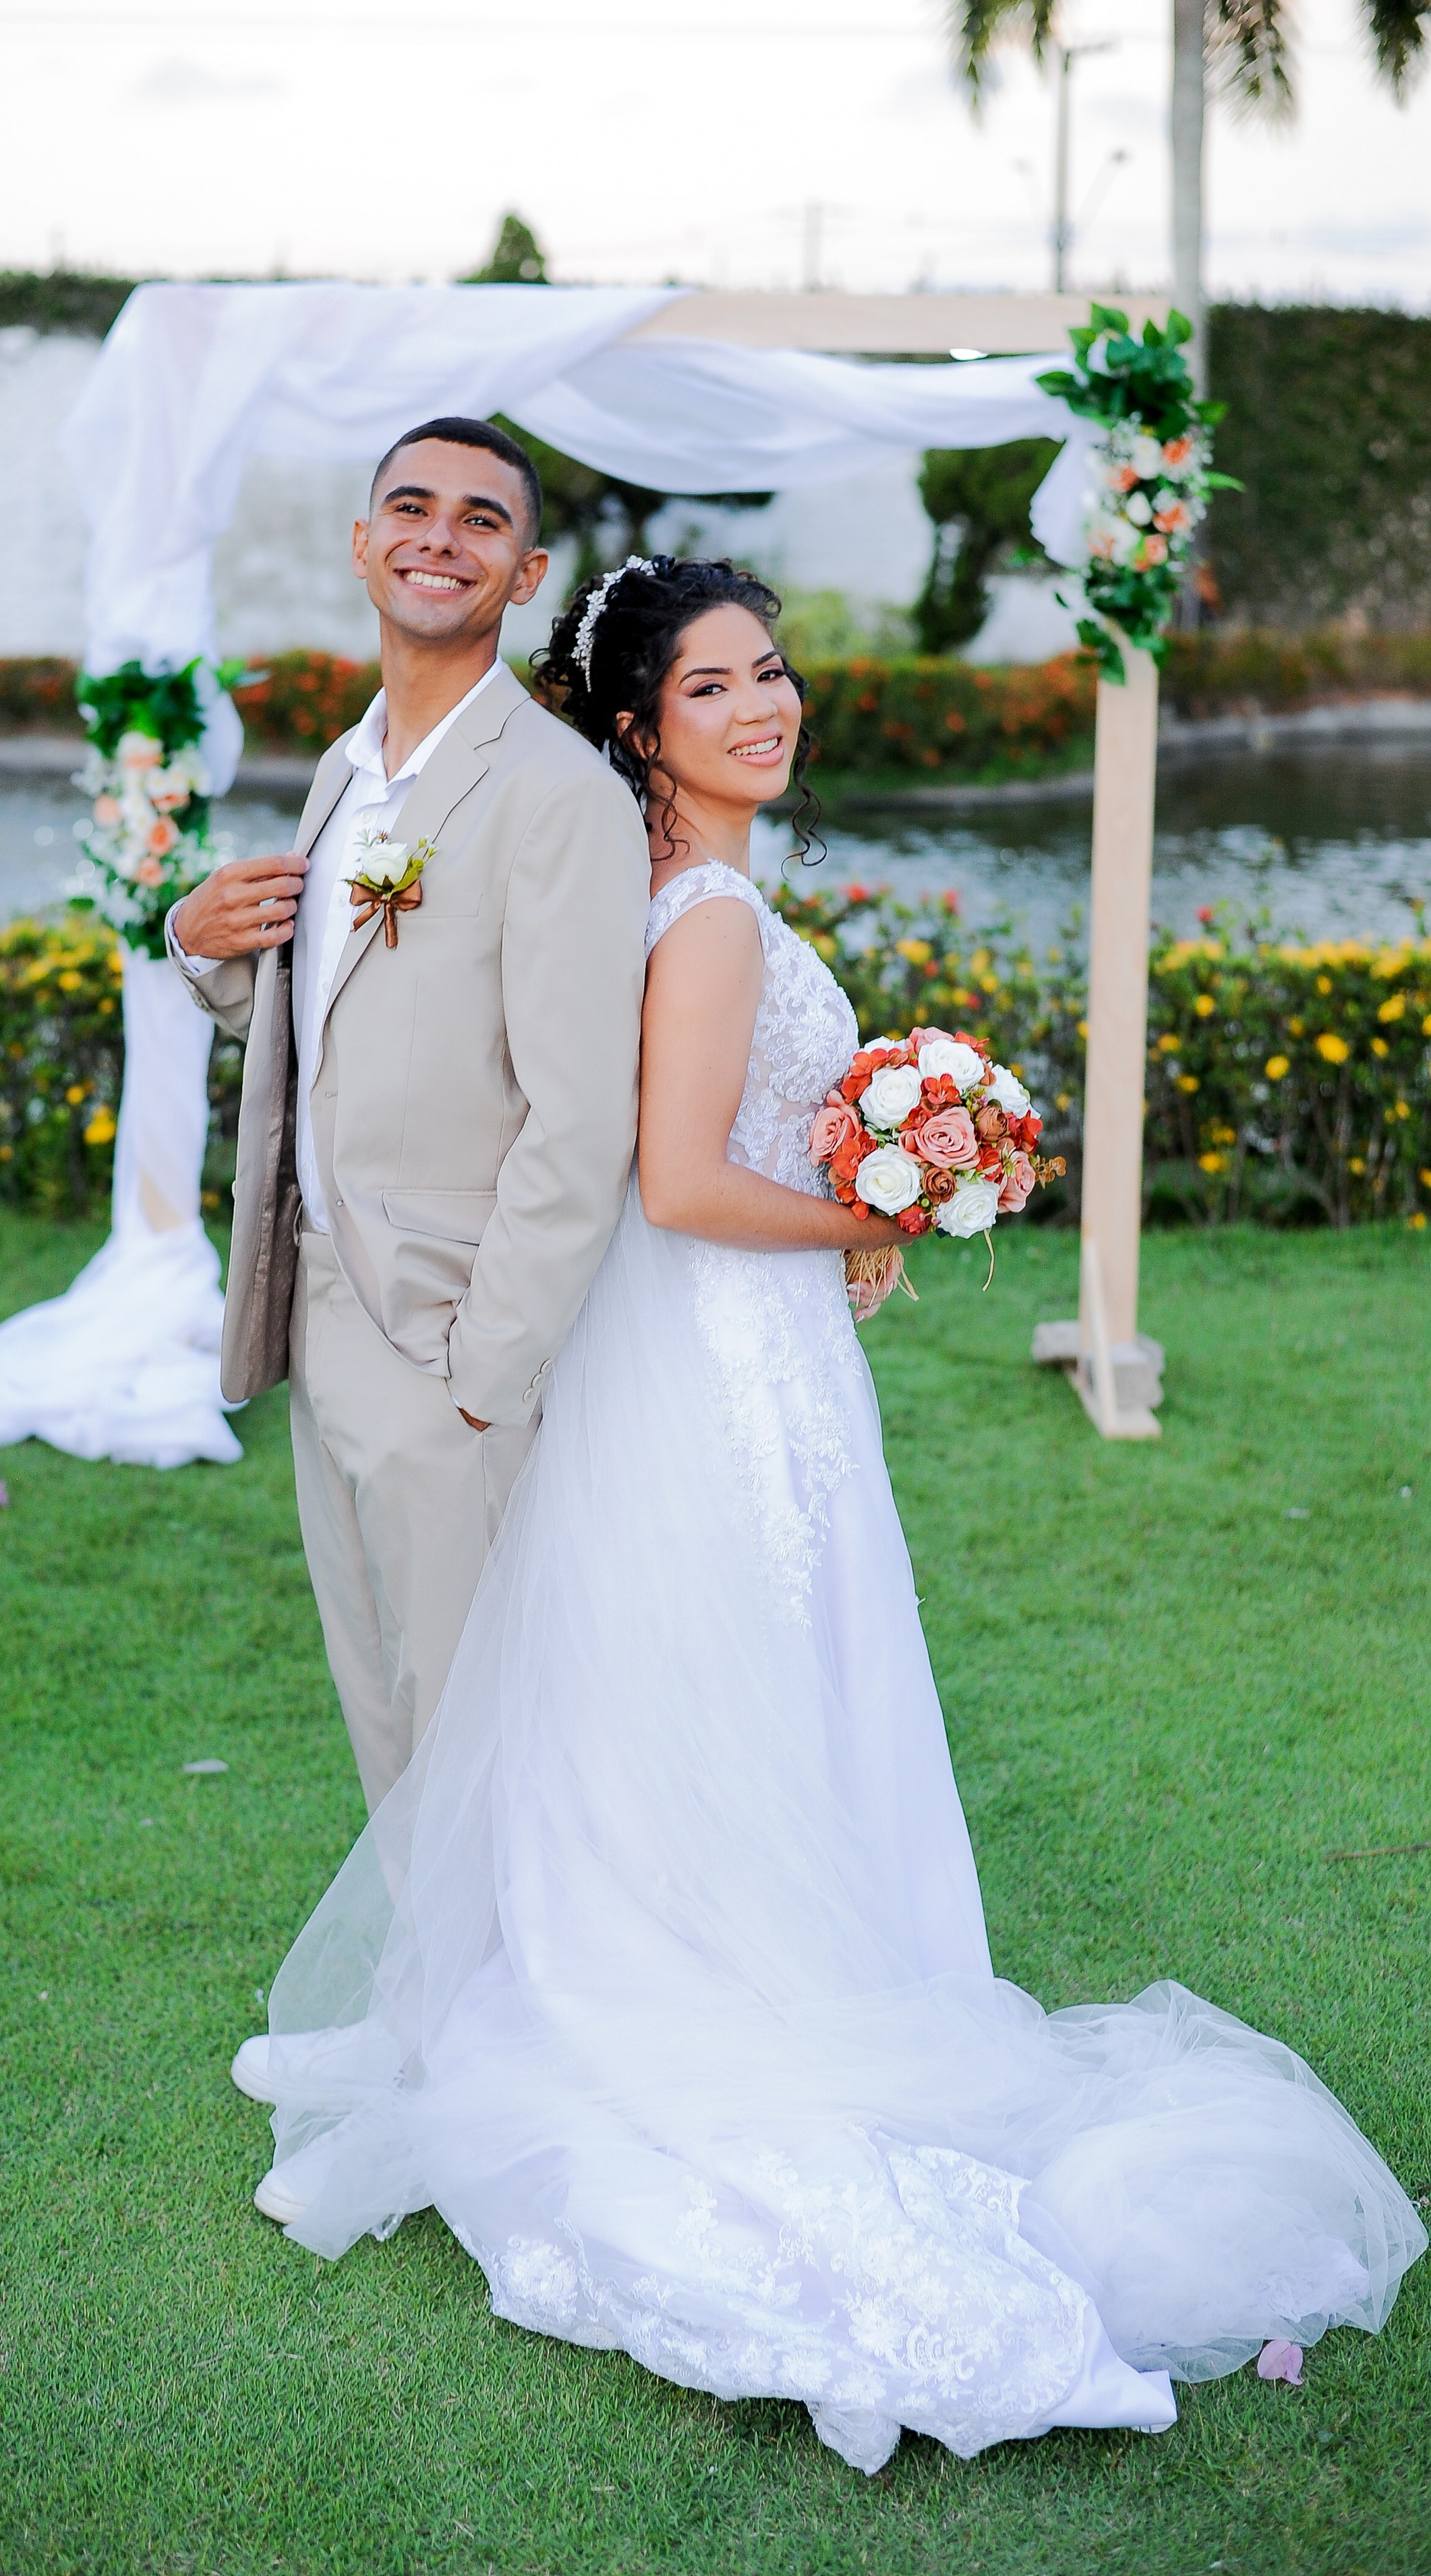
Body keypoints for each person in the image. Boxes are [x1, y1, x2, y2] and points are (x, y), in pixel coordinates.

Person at [228, 554, 1425, 2475]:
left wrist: (850, 1182)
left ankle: (690, 1951)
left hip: (717, 1352)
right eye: (716, 690)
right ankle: (734, 2001)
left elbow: (685, 1167)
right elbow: (692, 1188)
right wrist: (874, 1208)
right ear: (639, 726)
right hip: (714, 1365)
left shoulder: (666, 890)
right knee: (758, 1671)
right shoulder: (698, 915)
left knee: (706, 1692)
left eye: (773, 673)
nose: (766, 707)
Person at [169, 418, 650, 1813]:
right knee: (382, 1703)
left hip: (444, 1329)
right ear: (363, 542)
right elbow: (338, 1029)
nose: (440, 536)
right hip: (319, 1304)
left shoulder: (555, 794)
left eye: (479, 520)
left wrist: (482, 1369)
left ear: (525, 572)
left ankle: (499, 2020)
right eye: (411, 507)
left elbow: (579, 1118)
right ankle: (436, 2007)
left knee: (466, 1719)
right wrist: (204, 946)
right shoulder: (342, 774)